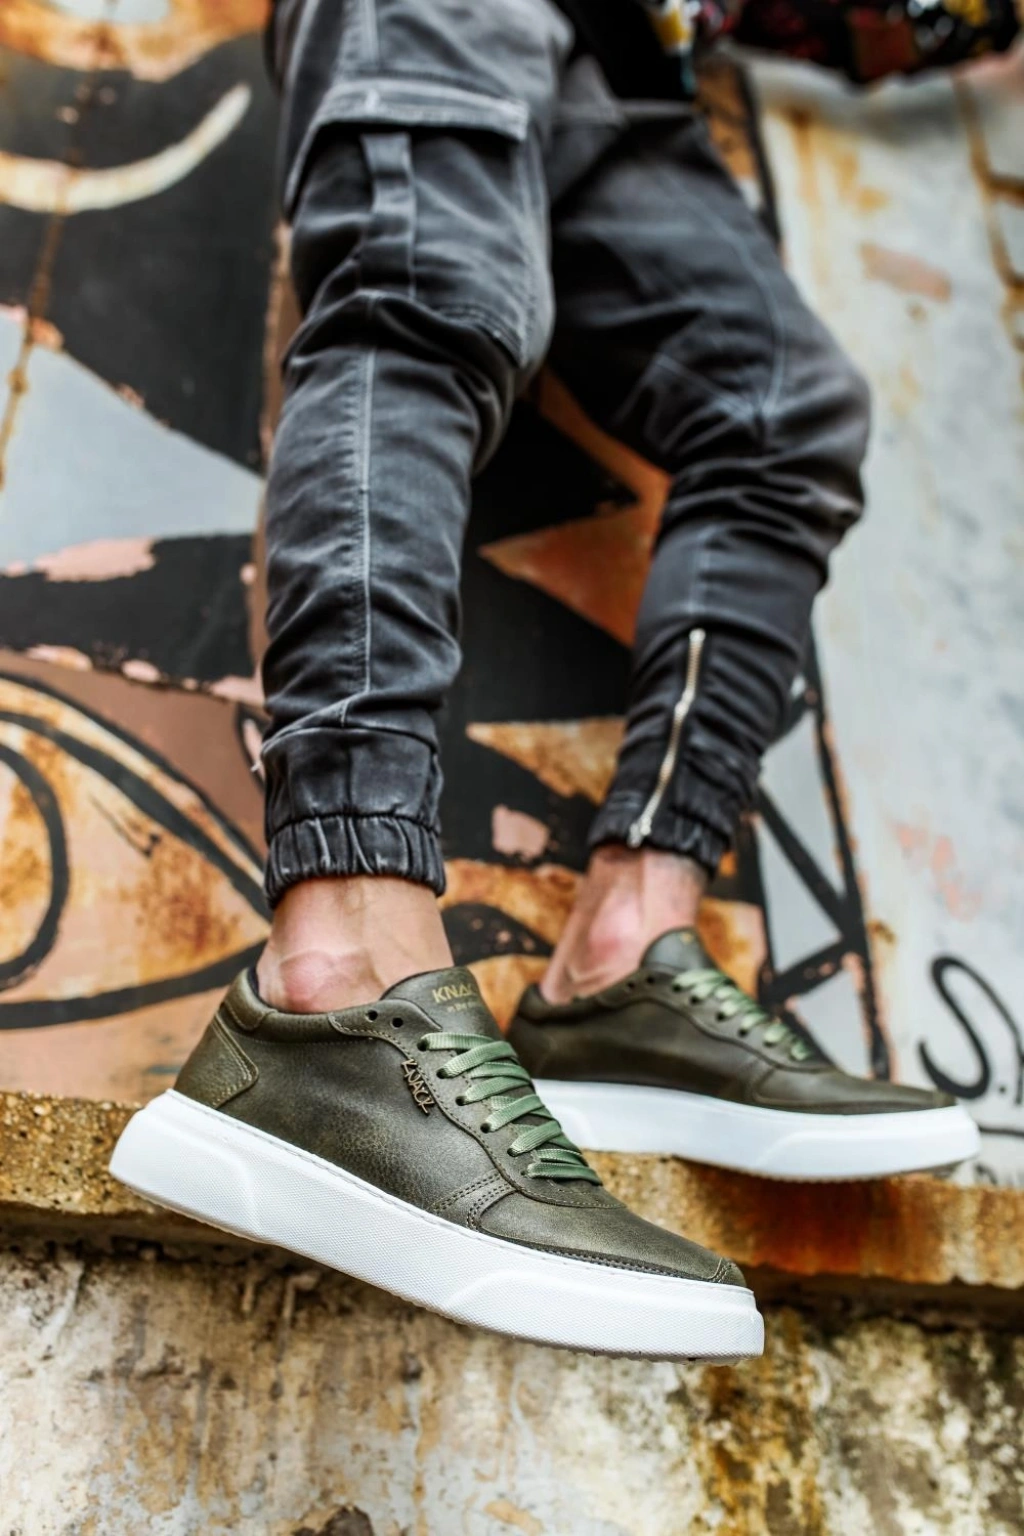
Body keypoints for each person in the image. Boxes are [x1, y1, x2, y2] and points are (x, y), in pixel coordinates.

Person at [110, 0, 1015, 1361]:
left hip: (633, 39)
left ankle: (619, 962)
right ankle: (337, 971)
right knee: (427, 287)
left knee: (785, 417)